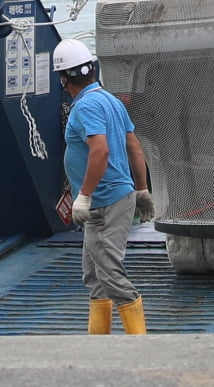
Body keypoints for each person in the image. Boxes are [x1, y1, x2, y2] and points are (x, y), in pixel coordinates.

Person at [53, 38, 155, 335]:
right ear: (93, 69)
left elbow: (100, 150)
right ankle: (99, 344)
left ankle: (139, 343)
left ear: (63, 79)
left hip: (104, 203)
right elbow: (134, 146)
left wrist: (83, 197)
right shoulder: (110, 100)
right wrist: (141, 189)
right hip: (115, 198)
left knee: (109, 273)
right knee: (94, 275)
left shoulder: (85, 107)